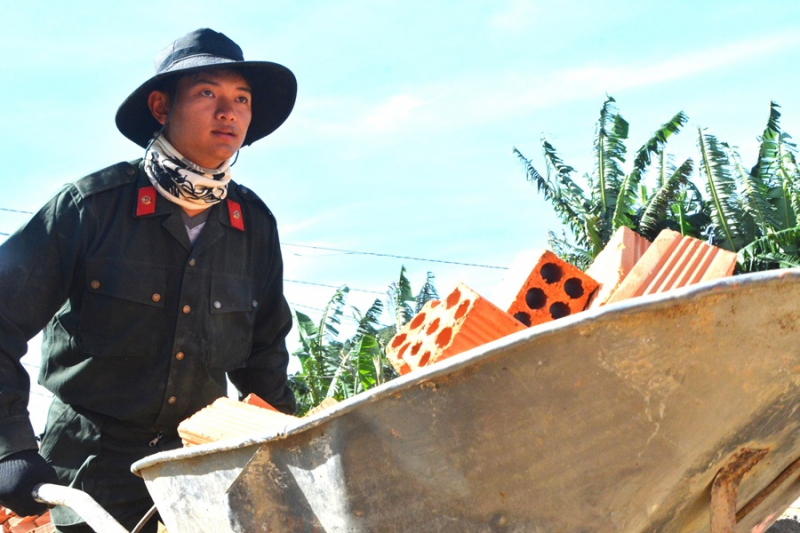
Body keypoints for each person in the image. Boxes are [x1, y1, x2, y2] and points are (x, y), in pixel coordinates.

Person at [0, 28, 297, 532]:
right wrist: (10, 447)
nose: (229, 112)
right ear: (161, 106)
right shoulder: (90, 208)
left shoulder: (254, 226)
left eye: (241, 99)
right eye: (208, 93)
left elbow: (264, 356)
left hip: (198, 472)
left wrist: (294, 448)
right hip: (87, 469)